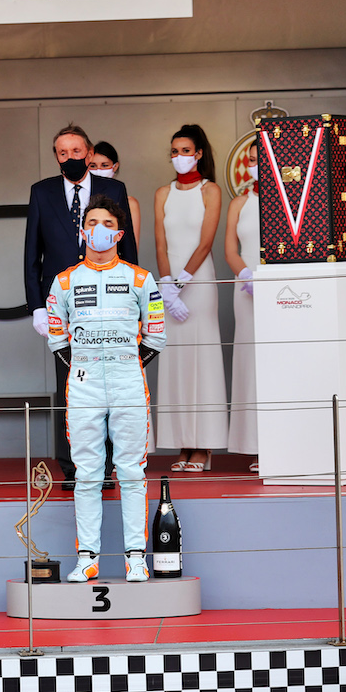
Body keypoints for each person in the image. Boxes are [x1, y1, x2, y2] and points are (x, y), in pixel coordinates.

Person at [47, 196, 166, 583]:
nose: (98, 229)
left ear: (119, 231)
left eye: (106, 222)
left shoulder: (140, 278)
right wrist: (87, 368)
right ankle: (87, 559)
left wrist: (125, 366)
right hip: (83, 384)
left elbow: (156, 334)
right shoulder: (64, 281)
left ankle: (136, 557)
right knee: (87, 474)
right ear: (82, 231)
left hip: (128, 380)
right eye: (91, 222)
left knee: (132, 471)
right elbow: (56, 337)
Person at [25, 124, 137, 488]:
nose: (69, 158)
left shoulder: (113, 189)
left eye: (76, 152)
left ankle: (105, 467)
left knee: (109, 383)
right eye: (62, 153)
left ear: (89, 154)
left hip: (109, 303)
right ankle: (74, 467)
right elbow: (32, 254)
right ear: (56, 156)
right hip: (62, 303)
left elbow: (129, 249)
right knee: (71, 385)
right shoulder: (41, 192)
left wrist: (133, 301)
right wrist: (37, 306)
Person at [153, 124, 228, 471]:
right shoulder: (162, 193)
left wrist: (181, 283)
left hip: (198, 283)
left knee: (202, 359)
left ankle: (204, 446)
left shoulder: (210, 190)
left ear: (198, 153)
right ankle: (182, 443)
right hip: (170, 289)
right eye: (174, 151)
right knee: (176, 362)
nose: (178, 157)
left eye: (185, 151)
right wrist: (166, 286)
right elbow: (160, 243)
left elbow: (206, 242)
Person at [224, 140, 260, 471]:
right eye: (248, 160)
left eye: (258, 159)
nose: (252, 165)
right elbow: (230, 249)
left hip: (283, 291)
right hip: (246, 288)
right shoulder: (239, 202)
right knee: (250, 361)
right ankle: (256, 446)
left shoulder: (290, 202)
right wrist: (245, 275)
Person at [90, 141, 142, 247]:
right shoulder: (81, 199)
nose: (99, 170)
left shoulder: (130, 203)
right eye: (93, 166)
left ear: (115, 166)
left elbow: (132, 246)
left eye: (104, 165)